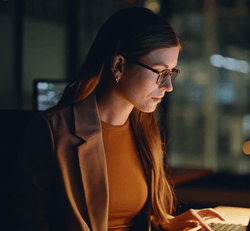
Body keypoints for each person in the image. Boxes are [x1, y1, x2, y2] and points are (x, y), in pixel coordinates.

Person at [9, 7, 226, 231]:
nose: (168, 86)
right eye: (160, 72)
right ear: (119, 65)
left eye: (171, 73)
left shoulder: (143, 128)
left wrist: (166, 223)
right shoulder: (52, 130)